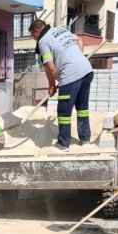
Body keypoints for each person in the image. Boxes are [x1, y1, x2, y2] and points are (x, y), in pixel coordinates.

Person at [28, 18, 94, 150]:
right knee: (82, 108)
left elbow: (50, 67)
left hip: (70, 76)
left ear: (36, 32)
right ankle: (85, 139)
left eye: (32, 36)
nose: (34, 38)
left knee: (64, 112)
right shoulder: (61, 30)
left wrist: (52, 86)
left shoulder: (43, 41)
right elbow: (80, 40)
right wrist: (76, 58)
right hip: (87, 70)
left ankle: (64, 144)